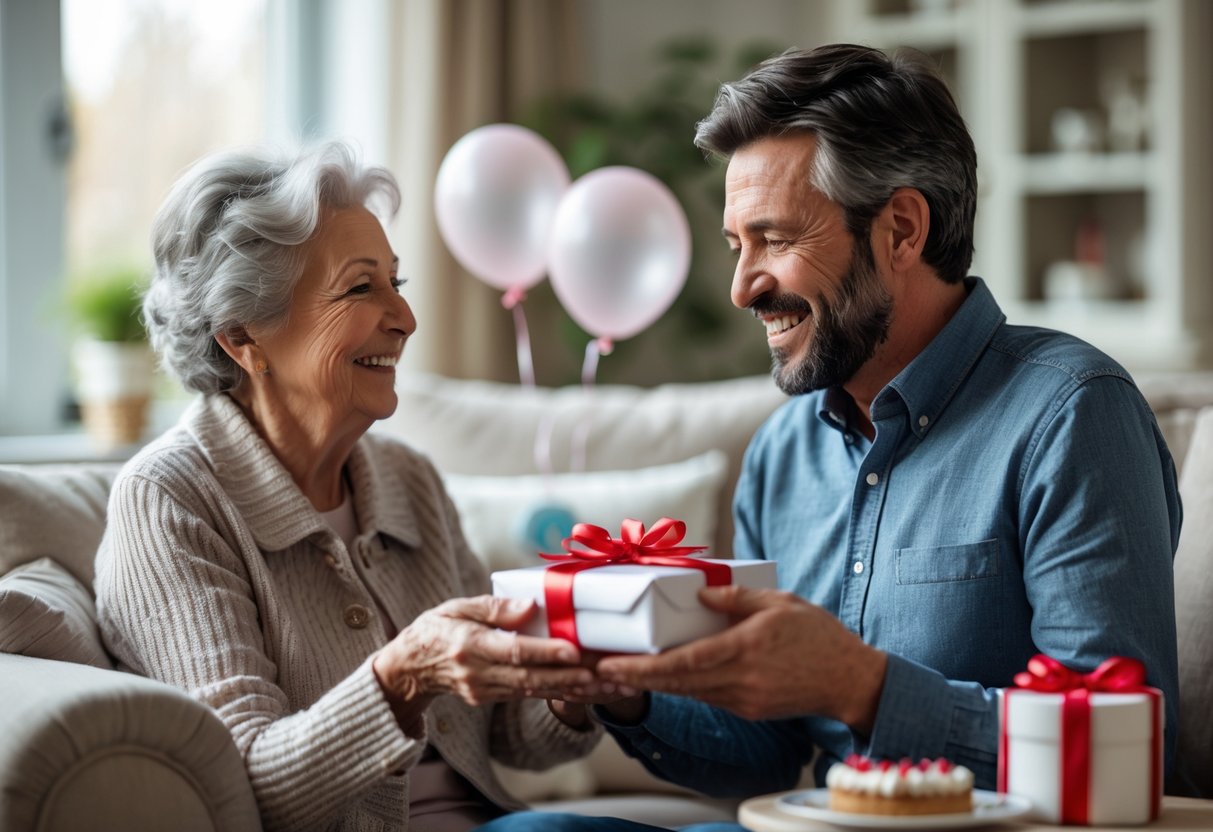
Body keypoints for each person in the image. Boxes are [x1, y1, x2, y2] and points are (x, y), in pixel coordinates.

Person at [482, 43, 1182, 830]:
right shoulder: (783, 452)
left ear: (901, 231)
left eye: (774, 240)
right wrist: (622, 690)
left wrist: (861, 686)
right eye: (734, 245)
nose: (744, 286)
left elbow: (1127, 753)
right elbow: (764, 754)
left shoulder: (1070, 414)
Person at [94, 141, 611, 832]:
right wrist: (403, 674)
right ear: (242, 335)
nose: (404, 318)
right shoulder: (170, 501)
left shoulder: (406, 479)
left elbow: (509, 735)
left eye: (397, 283)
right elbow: (247, 790)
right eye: (361, 287)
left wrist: (578, 674)